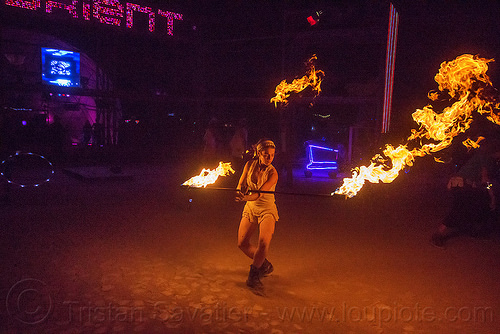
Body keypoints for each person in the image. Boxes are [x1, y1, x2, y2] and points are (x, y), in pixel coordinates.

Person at [431, 139, 498, 248]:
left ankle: (472, 229)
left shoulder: (488, 159)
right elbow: (485, 180)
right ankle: (437, 235)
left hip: (462, 184)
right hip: (460, 184)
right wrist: (491, 195)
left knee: (475, 204)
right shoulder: (486, 158)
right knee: (459, 208)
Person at [235, 138, 279, 295]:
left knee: (263, 243)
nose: (269, 158)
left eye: (272, 155)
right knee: (242, 243)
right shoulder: (249, 165)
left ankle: (253, 276)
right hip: (251, 208)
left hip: (266, 209)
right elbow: (241, 183)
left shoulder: (273, 173)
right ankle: (263, 264)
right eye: (266, 155)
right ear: (259, 153)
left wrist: (245, 198)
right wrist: (239, 191)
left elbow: (259, 194)